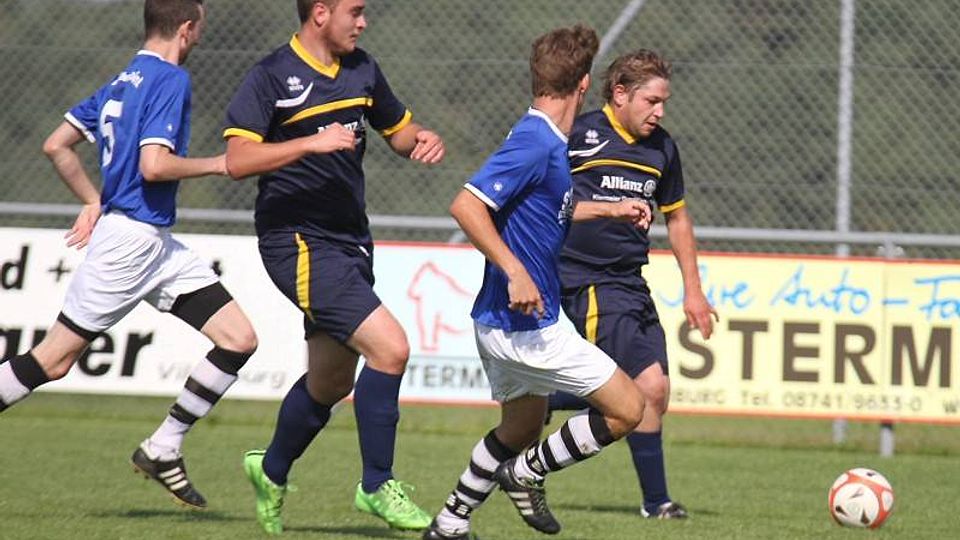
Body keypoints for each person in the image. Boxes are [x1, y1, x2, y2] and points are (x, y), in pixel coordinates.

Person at [0, 0, 258, 510]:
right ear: (187, 28)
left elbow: (56, 145)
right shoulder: (171, 79)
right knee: (52, 361)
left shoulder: (123, 80)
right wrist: (218, 165)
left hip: (154, 243)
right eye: (199, 29)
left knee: (238, 338)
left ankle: (162, 447)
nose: (199, 37)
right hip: (130, 244)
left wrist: (92, 200)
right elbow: (154, 166)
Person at [422, 25, 655, 540]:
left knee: (522, 426)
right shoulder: (535, 141)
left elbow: (548, 209)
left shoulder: (544, 138)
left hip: (501, 322)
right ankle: (526, 474)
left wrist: (610, 209)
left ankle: (450, 523)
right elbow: (466, 205)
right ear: (584, 84)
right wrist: (515, 270)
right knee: (629, 408)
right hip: (528, 327)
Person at [221, 0, 445, 534]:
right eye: (355, 11)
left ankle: (270, 470)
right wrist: (310, 143)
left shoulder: (362, 68)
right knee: (391, 348)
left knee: (331, 380)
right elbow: (237, 160)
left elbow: (397, 132)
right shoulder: (272, 75)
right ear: (320, 12)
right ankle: (377, 484)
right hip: (296, 240)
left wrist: (421, 139)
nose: (362, 22)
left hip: (350, 241)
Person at [549, 49, 719, 519]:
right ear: (620, 94)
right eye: (652, 101)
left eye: (664, 102)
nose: (659, 111)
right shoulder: (577, 134)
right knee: (644, 385)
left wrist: (693, 290)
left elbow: (677, 218)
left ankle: (548, 400)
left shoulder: (662, 148)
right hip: (585, 278)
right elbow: (544, 200)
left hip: (630, 281)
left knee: (654, 394)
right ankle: (536, 461)